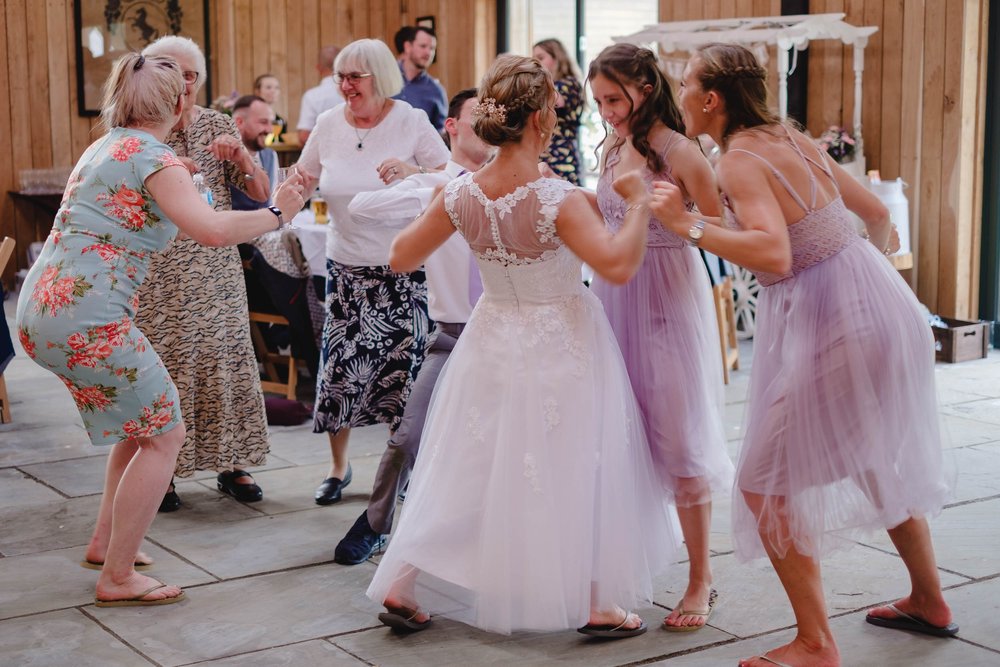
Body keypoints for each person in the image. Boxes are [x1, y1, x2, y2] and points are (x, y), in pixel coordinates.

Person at [649, 43, 956, 667]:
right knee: (877, 456)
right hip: (883, 302)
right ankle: (930, 600)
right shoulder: (791, 137)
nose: (678, 91)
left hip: (839, 318)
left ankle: (816, 643)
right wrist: (859, 285)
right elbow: (873, 214)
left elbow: (774, 255)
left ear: (711, 100)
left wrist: (687, 226)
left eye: (685, 82)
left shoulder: (739, 159)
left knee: (763, 483)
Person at [365, 54, 679, 639]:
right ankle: (596, 603)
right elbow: (616, 265)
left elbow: (401, 255)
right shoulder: (561, 199)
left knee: (466, 464)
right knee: (577, 464)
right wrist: (638, 204)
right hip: (560, 340)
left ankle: (401, 582)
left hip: (489, 338)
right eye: (555, 111)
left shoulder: (461, 195)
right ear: (538, 119)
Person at [14, 51, 303, 607]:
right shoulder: (157, 157)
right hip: (86, 316)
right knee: (168, 432)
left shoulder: (110, 145)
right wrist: (278, 211)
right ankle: (118, 577)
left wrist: (177, 175)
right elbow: (214, 231)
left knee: (139, 424)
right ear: (180, 100)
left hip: (44, 308)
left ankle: (105, 544)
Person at [587, 42, 733, 632]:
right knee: (618, 434)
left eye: (615, 99)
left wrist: (678, 220)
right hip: (612, 293)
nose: (607, 112)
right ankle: (623, 567)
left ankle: (701, 578)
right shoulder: (613, 144)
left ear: (645, 88)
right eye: (599, 101)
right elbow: (606, 216)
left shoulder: (681, 149)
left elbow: (723, 225)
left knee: (680, 436)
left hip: (666, 295)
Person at [333, 88, 492, 565]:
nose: (487, 126)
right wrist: (431, 183)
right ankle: (377, 523)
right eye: (476, 117)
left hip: (506, 331)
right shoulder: (434, 184)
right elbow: (361, 208)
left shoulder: (512, 185)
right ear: (453, 128)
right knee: (407, 435)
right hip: (450, 335)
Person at [297, 38, 449, 507]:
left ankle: (403, 469)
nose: (344, 86)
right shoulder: (327, 123)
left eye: (354, 77)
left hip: (403, 270)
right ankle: (338, 469)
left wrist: (411, 171)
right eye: (340, 76)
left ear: (379, 77)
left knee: (402, 375)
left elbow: (452, 177)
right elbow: (301, 179)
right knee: (340, 373)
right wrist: (270, 205)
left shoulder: (411, 121)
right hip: (346, 271)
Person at [135, 36, 273, 513]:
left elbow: (260, 191)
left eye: (191, 74)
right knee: (165, 367)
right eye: (172, 71)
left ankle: (232, 464)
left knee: (226, 358)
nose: (183, 83)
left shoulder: (218, 123)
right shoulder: (140, 129)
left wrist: (241, 157)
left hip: (216, 268)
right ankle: (162, 473)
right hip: (159, 270)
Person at [533, 39, 584, 185]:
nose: (536, 63)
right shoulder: (555, 85)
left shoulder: (569, 83)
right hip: (547, 153)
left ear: (557, 59)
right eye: (534, 58)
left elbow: (557, 102)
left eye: (541, 58)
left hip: (562, 156)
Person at [393, 26, 447, 132]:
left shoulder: (437, 91)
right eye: (423, 46)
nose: (428, 53)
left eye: (432, 48)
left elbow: (440, 134)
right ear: (408, 47)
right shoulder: (384, 78)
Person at [230, 94, 279, 210]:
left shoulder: (271, 155)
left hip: (268, 226)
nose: (270, 130)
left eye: (271, 123)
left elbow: (274, 201)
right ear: (239, 122)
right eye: (263, 122)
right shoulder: (223, 156)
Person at [296, 45, 344, 145]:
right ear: (343, 65)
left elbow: (304, 136)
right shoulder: (354, 92)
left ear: (318, 68)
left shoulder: (312, 96)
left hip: (323, 157)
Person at [254, 73, 286, 142]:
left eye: (277, 88)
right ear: (257, 91)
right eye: (268, 87)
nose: (273, 91)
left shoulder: (280, 120)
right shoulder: (252, 117)